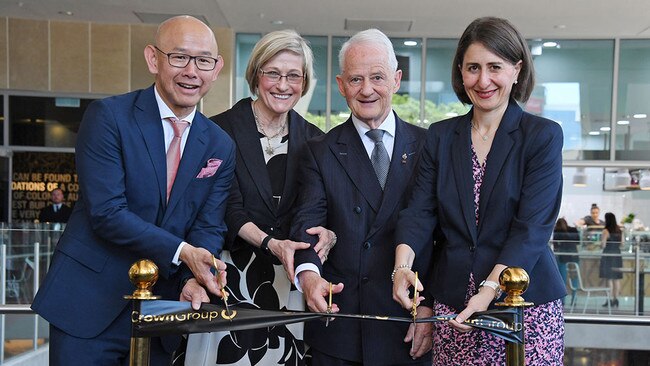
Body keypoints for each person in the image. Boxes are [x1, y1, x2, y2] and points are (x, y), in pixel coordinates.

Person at [31, 16, 236, 365]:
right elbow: (107, 213)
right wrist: (185, 253)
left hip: (163, 312)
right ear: (153, 59)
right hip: (88, 305)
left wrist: (192, 277)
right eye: (179, 57)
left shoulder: (219, 144)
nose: (191, 71)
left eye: (203, 60)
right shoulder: (109, 118)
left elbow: (209, 225)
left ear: (216, 69)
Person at [392, 17, 566, 365]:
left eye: (494, 67)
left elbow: (531, 229)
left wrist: (486, 294)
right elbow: (420, 211)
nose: (483, 80)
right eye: (473, 68)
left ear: (517, 70)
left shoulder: (542, 136)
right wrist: (401, 268)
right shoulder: (440, 136)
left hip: (522, 305)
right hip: (454, 304)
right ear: (460, 72)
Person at [184, 29, 335, 366]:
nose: (283, 84)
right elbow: (226, 207)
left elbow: (324, 208)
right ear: (255, 75)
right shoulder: (217, 130)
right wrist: (271, 243)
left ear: (304, 82)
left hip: (290, 281)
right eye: (273, 73)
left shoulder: (316, 140)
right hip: (229, 275)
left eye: (294, 75)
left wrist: (330, 232)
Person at [291, 28, 432, 366]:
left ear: (396, 80)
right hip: (342, 326)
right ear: (341, 86)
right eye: (355, 80)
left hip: (410, 323)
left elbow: (446, 235)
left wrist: (431, 306)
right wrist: (309, 277)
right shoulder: (319, 151)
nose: (367, 90)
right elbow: (307, 223)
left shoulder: (430, 147)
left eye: (377, 77)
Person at [553, 218, 580, 306]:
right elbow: (578, 242)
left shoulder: (557, 231)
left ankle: (562, 301)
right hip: (574, 257)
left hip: (562, 257)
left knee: (562, 280)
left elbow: (555, 245)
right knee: (574, 279)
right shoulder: (573, 229)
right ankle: (574, 299)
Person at [599, 212, 623, 308]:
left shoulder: (606, 231)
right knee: (616, 279)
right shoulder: (619, 230)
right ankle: (615, 299)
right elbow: (622, 244)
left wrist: (600, 244)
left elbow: (603, 245)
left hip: (608, 255)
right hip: (617, 255)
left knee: (608, 279)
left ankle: (608, 299)